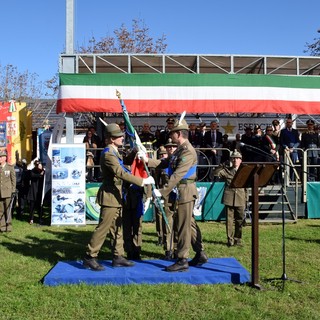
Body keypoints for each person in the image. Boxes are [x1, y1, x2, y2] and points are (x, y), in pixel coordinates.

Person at [82, 123, 155, 271]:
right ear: (111, 139)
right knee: (103, 228)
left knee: (117, 228)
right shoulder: (108, 153)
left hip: (116, 195)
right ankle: (90, 256)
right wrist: (142, 181)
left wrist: (135, 150)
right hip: (109, 196)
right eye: (118, 136)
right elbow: (120, 172)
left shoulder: (114, 151)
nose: (122, 138)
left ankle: (118, 256)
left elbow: (125, 163)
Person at [144, 118, 208, 272]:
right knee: (190, 224)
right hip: (182, 190)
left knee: (183, 226)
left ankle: (182, 259)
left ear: (179, 134)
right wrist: (147, 160)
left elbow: (178, 174)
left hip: (185, 190)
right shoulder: (180, 149)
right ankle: (200, 253)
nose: (170, 135)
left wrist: (162, 191)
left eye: (172, 133)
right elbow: (165, 163)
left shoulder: (187, 151)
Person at [213, 151, 247, 247]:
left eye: (237, 158)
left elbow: (246, 187)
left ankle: (238, 239)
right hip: (229, 198)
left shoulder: (244, 171)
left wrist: (246, 199)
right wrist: (222, 165)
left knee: (240, 219)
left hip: (240, 198)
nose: (235, 160)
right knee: (229, 220)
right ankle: (230, 239)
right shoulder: (227, 171)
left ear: (241, 160)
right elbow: (215, 173)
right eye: (233, 158)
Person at [155, 139, 178, 260]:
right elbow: (158, 179)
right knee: (168, 223)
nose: (170, 149)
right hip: (168, 196)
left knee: (179, 224)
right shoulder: (165, 163)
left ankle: (178, 248)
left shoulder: (181, 160)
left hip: (180, 196)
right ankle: (168, 249)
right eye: (168, 147)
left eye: (173, 147)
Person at [0, 150, 16, 232]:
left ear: (5, 158)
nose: (0, 158)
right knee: (1, 211)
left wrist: (13, 191)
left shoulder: (9, 167)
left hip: (7, 192)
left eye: (1, 157)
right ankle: (2, 227)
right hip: (0, 193)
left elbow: (13, 180)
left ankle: (9, 226)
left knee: (8, 210)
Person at [27, 160, 45, 225]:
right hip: (33, 191)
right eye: (37, 164)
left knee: (40, 206)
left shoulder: (44, 171)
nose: (39, 166)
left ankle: (40, 219)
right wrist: (39, 174)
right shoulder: (33, 171)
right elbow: (32, 175)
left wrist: (41, 172)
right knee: (32, 206)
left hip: (40, 192)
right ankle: (31, 219)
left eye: (39, 164)